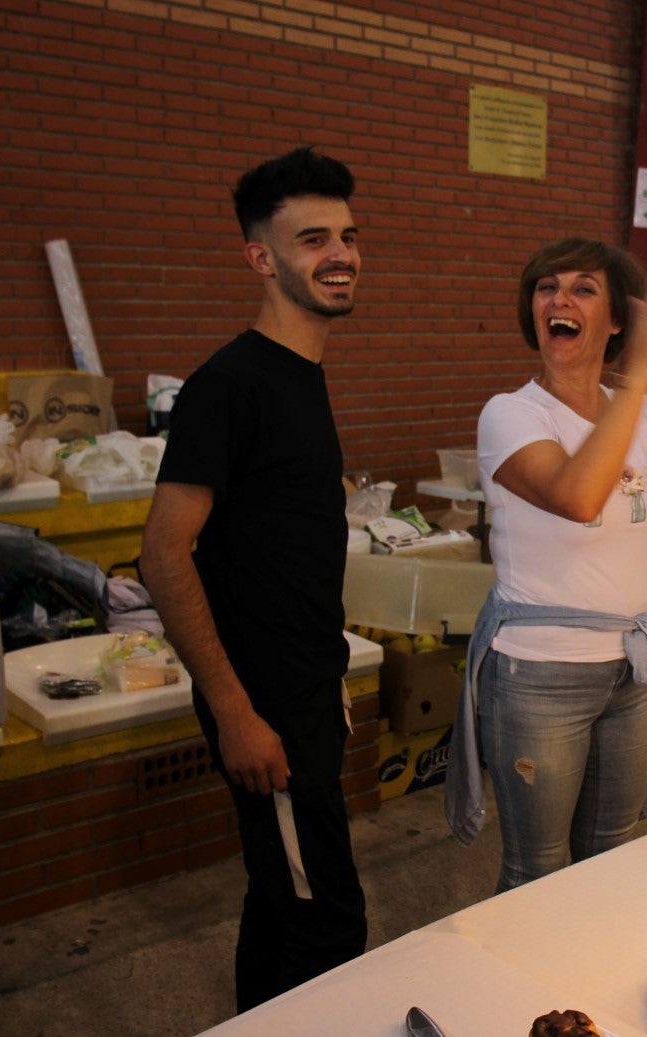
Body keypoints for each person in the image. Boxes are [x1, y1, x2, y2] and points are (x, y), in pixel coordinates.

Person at [444, 239, 647, 892]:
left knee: (611, 855)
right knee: (537, 869)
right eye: (546, 286)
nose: (559, 299)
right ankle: (529, 993)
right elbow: (577, 495)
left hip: (633, 670)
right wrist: (640, 377)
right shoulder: (511, 413)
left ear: (615, 320)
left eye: (582, 289)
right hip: (539, 674)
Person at [141, 146, 366, 1011]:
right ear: (260, 257)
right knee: (328, 926)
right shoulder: (229, 386)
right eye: (312, 238)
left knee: (281, 903)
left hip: (306, 691)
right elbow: (163, 554)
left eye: (346, 235)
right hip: (266, 709)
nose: (339, 253)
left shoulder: (299, 375)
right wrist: (236, 714)